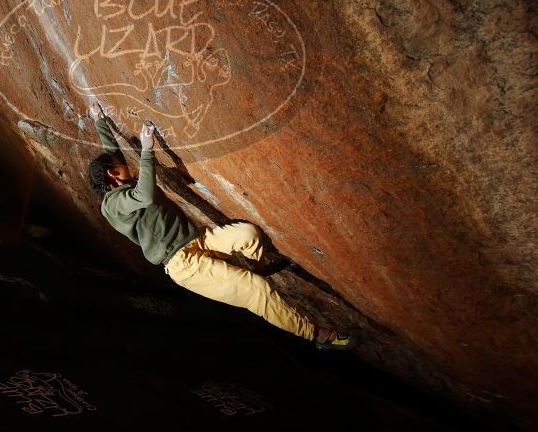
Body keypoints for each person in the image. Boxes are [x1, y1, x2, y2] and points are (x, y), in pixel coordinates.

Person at [87, 103, 357, 351]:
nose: (127, 167)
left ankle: (258, 266)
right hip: (184, 265)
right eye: (120, 167)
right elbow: (143, 196)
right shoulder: (112, 205)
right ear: (112, 175)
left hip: (199, 241)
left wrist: (99, 120)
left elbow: (112, 153)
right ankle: (318, 336)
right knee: (255, 289)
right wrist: (147, 150)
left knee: (248, 235)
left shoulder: (119, 180)